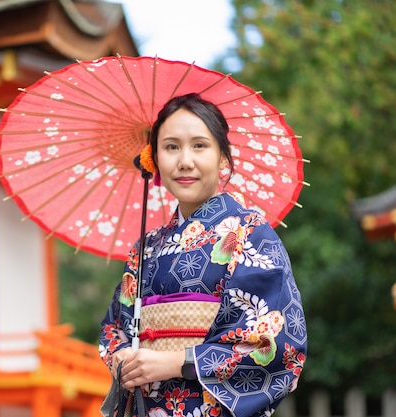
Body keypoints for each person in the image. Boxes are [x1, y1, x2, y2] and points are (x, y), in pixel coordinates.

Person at [99, 93, 307, 417]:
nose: (184, 161)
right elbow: (114, 329)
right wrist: (124, 358)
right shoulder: (146, 249)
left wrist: (175, 362)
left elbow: (273, 343)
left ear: (223, 157)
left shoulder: (251, 233)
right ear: (153, 160)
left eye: (199, 145)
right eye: (170, 147)